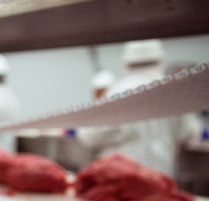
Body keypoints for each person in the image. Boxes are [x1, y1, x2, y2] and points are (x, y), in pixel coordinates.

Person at [77, 39, 202, 176]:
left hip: (121, 175)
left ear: (126, 62)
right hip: (161, 175)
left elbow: (91, 135)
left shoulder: (118, 91)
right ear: (160, 59)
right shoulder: (174, 91)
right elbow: (188, 133)